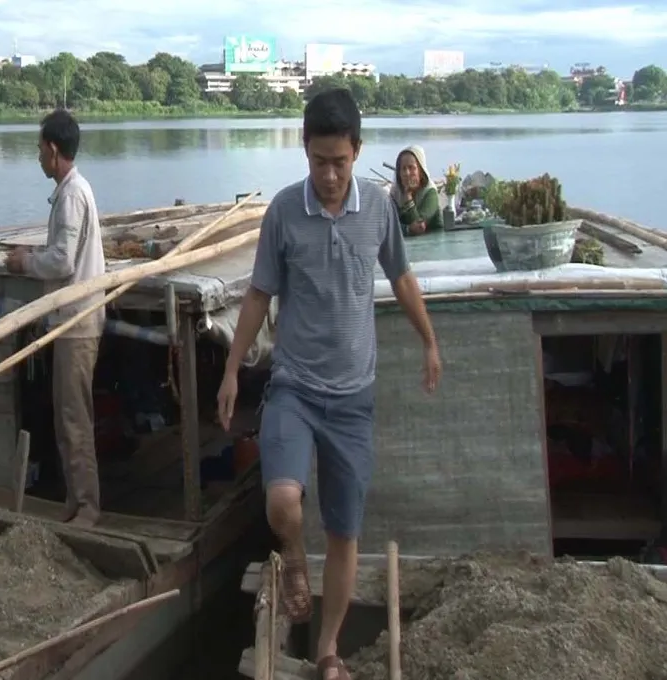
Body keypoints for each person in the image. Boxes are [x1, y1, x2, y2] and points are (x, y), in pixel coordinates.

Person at [216, 89, 441, 680]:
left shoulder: (379, 210)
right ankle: (293, 553)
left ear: (357, 151)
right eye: (320, 162)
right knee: (282, 502)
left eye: (340, 162)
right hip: (294, 386)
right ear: (305, 150)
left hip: (352, 399)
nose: (331, 175)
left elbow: (402, 276)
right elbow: (258, 294)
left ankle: (328, 649)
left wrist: (429, 339)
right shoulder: (284, 212)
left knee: (345, 534)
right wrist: (232, 369)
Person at [5, 109, 106, 528]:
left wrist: (25, 263)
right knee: (68, 415)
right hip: (74, 319)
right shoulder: (73, 190)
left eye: (39, 149)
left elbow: (63, 261)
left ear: (52, 149)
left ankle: (87, 507)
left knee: (73, 416)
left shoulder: (71, 194)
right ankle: (74, 500)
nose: (37, 157)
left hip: (76, 322)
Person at [390, 144, 443, 236]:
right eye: (403, 169)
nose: (407, 173)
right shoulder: (395, 193)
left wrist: (408, 197)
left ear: (420, 171)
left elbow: (419, 227)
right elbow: (388, 224)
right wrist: (407, 229)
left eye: (411, 168)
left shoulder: (430, 192)